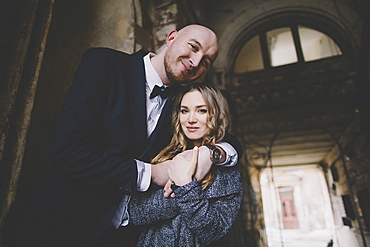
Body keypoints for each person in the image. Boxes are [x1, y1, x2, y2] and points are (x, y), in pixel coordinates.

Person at [3, 24, 243, 247]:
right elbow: (68, 152)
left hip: (116, 236)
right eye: (193, 47)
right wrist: (152, 173)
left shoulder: (183, 102)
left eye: (206, 62)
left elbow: (227, 136)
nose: (195, 61)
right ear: (171, 38)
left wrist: (211, 153)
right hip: (54, 223)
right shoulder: (103, 64)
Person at [129, 82, 243, 247]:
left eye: (201, 110)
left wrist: (185, 185)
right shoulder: (161, 153)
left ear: (216, 114)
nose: (191, 119)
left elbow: (213, 230)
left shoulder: (227, 170)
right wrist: (190, 193)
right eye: (184, 111)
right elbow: (134, 212)